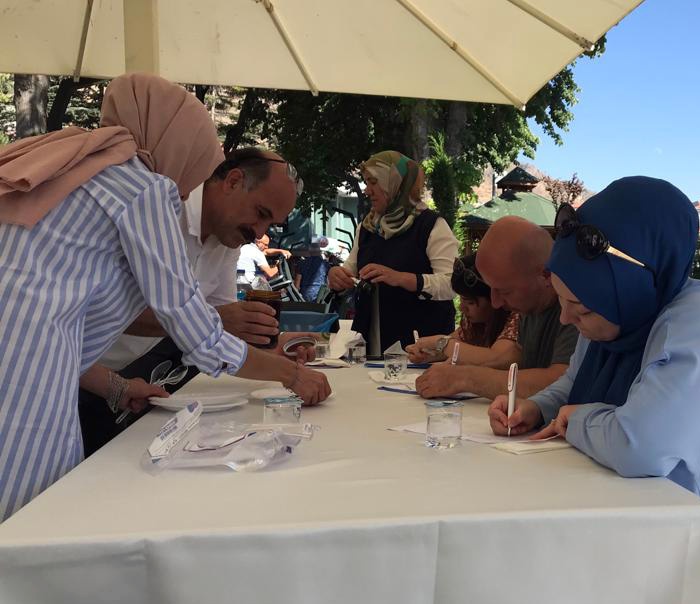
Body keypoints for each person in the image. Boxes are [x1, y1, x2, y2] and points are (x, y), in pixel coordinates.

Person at [488, 176, 700, 604]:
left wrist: (577, 419)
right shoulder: (618, 314)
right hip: (675, 528)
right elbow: (571, 387)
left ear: (629, 285)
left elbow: (640, 446)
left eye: (577, 307)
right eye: (561, 300)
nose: (563, 318)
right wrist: (536, 409)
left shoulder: (696, 321)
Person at [0, 73, 329, 522]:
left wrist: (116, 386)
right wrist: (290, 375)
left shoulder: (70, 170)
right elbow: (201, 335)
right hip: (25, 395)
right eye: (200, 147)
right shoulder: (143, 187)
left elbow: (51, 316)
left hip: (30, 371)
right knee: (32, 524)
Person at [78, 148, 312, 456]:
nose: (259, 232)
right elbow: (104, 308)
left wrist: (273, 350)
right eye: (261, 214)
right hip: (79, 378)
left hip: (136, 384)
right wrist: (286, 373)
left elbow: (221, 332)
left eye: (270, 225)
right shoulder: (162, 210)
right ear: (232, 181)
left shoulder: (228, 239)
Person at [415, 217, 577, 400]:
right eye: (491, 289)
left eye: (504, 291)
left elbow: (561, 383)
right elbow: (516, 364)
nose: (495, 302)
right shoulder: (530, 306)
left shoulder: (577, 309)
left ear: (545, 276)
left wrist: (465, 378)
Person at [327, 151, 456, 354]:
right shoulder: (367, 227)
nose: (367, 191)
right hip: (371, 343)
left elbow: (451, 283)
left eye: (373, 182)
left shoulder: (431, 225)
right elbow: (350, 271)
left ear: (395, 183)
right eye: (366, 183)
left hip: (420, 348)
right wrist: (337, 277)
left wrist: (401, 278)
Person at [405, 253, 521, 369]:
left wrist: (441, 343)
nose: (461, 308)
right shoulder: (476, 322)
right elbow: (457, 348)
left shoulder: (518, 316)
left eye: (470, 302)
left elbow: (499, 359)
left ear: (495, 297)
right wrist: (427, 354)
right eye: (461, 299)